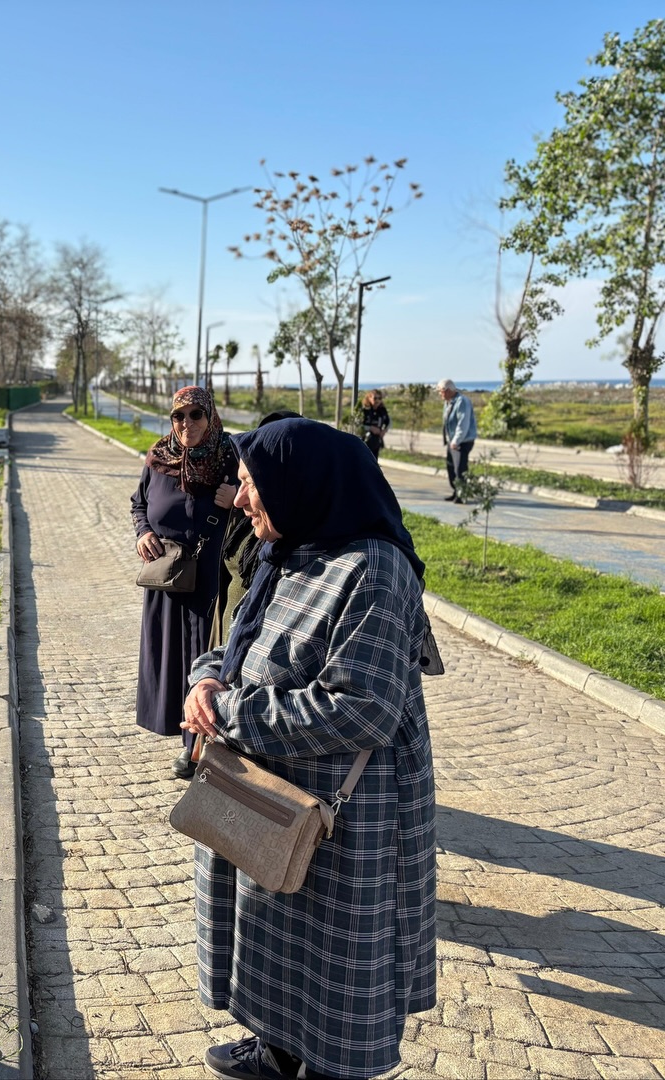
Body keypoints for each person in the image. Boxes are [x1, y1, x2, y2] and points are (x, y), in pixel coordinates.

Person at [182, 417, 437, 1080]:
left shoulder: (374, 573)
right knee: (271, 935)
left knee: (332, 962)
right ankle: (275, 1049)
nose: (240, 499)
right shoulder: (291, 550)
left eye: (249, 484)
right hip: (275, 792)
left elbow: (364, 709)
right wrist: (206, 679)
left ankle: (325, 1066)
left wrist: (230, 713)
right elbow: (238, 647)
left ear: (302, 484)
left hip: (346, 820)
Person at [132, 386, 238, 781]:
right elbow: (138, 502)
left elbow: (263, 504)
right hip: (169, 578)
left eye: (196, 415)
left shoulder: (230, 457)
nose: (187, 423)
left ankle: (199, 749)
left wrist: (239, 496)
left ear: (210, 417)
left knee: (209, 658)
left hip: (213, 576)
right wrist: (143, 532)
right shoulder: (159, 457)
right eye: (179, 416)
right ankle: (186, 737)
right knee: (174, 659)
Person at [208, 410, 301, 652]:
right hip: (226, 642)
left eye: (250, 482)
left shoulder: (301, 541)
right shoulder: (251, 523)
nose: (241, 499)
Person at [438, 378, 476, 503]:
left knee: (460, 468)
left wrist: (456, 441)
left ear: (447, 390)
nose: (439, 394)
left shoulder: (462, 402)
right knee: (451, 467)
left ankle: (462, 494)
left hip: (462, 441)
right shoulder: (448, 401)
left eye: (440, 391)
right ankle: (456, 491)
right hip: (452, 440)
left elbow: (463, 423)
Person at [359, 388, 390, 460]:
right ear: (369, 398)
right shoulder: (364, 410)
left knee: (374, 462)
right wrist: (370, 428)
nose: (377, 401)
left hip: (376, 442)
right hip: (364, 441)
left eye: (379, 398)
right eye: (375, 398)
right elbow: (357, 425)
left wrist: (384, 430)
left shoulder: (382, 410)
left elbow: (388, 422)